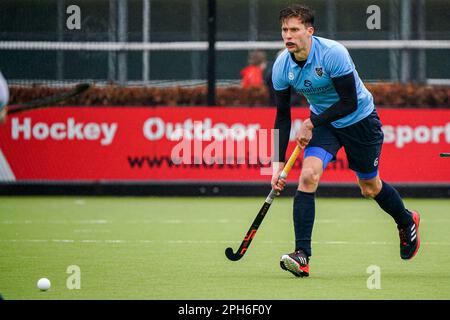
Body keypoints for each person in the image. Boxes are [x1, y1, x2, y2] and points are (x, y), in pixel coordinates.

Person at [271, 5, 420, 278]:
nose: (288, 36)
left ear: (309, 31)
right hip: (326, 125)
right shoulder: (282, 65)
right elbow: (281, 117)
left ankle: (406, 219)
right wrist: (277, 166)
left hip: (360, 121)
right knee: (307, 177)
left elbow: (349, 103)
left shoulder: (332, 54)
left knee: (369, 187)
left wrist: (311, 122)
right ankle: (302, 255)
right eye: (284, 30)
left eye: (294, 29)